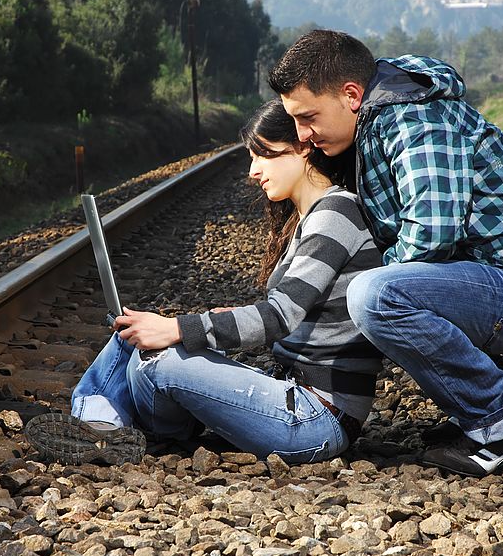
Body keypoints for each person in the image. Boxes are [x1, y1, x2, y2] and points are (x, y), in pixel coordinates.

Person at [269, 30, 503, 477]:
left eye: (308, 117)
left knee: (376, 297)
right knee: (382, 292)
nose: (303, 135)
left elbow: (431, 234)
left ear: (352, 95)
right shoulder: (379, 120)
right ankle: (500, 393)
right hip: (502, 281)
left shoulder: (414, 118)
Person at [24, 98, 383, 466]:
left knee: (158, 360)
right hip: (293, 399)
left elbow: (278, 317)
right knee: (133, 337)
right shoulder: (309, 218)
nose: (253, 171)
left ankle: (108, 430)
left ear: (303, 148)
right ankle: (98, 429)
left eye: (262, 155)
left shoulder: (336, 213)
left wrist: (180, 328)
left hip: (315, 419)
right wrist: (190, 327)